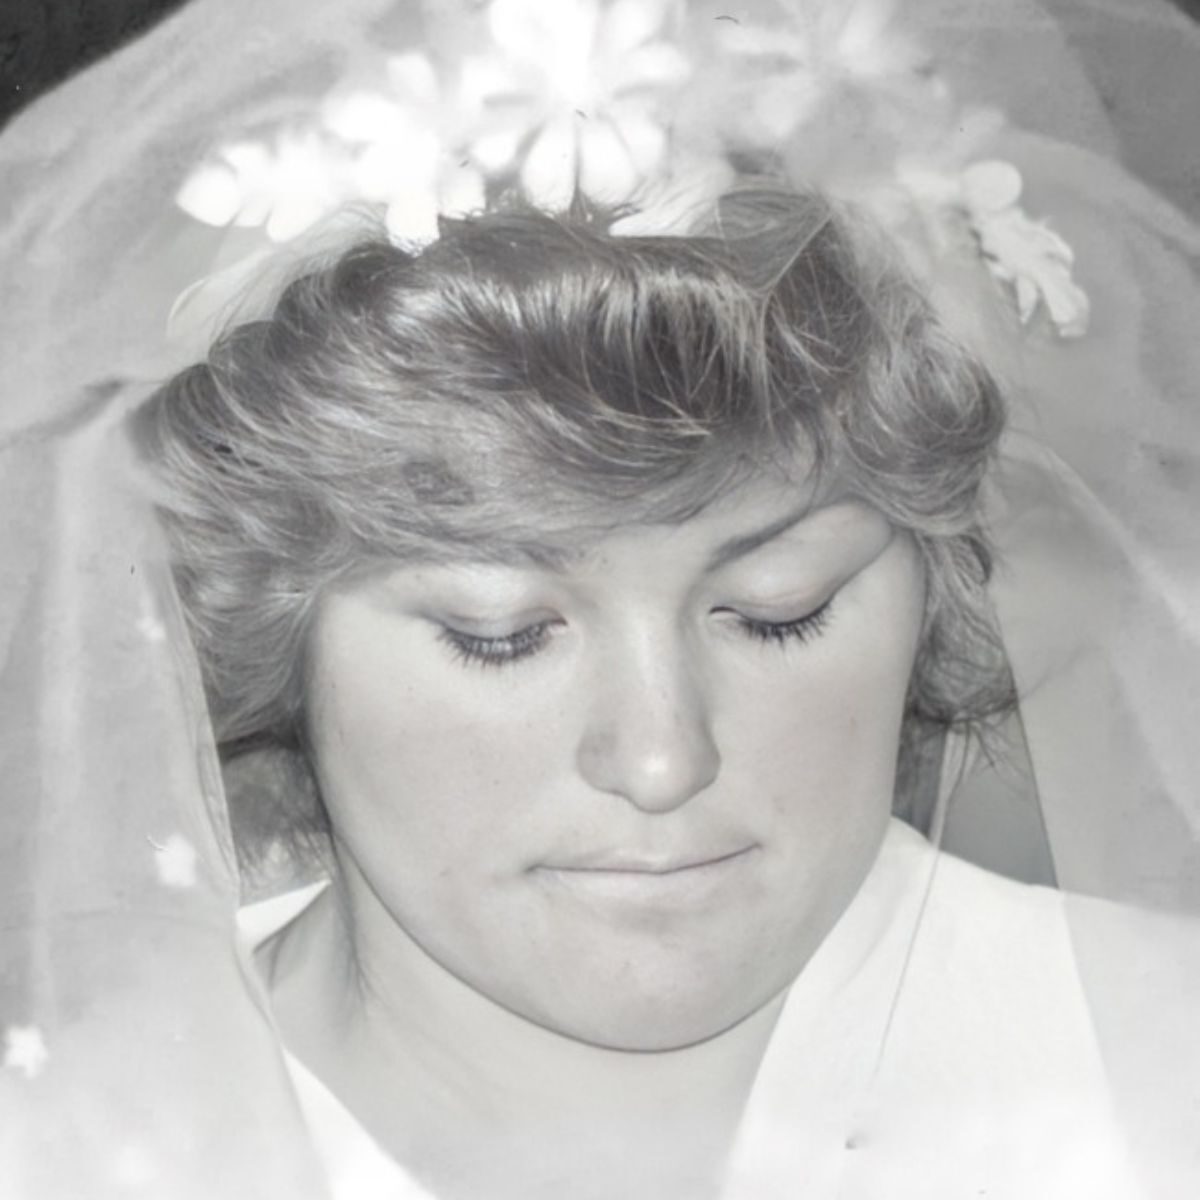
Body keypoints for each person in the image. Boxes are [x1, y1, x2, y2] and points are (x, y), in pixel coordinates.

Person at [1, 1, 1198, 1198]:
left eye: (780, 610)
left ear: (935, 585)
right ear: (276, 637)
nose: (662, 761)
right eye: (503, 635)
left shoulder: (1166, 1064)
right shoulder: (67, 1149)